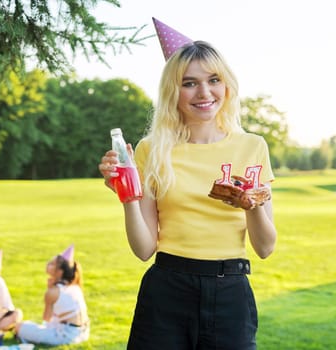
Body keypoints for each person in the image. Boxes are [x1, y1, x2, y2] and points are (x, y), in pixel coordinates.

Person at [98, 17, 277, 349]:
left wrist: (250, 207)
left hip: (231, 293)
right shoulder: (153, 149)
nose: (204, 92)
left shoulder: (253, 147)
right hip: (167, 292)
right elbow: (143, 249)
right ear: (173, 92)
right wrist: (128, 197)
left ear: (227, 85)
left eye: (213, 80)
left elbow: (265, 248)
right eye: (189, 83)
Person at [15, 245, 90, 345]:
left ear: (60, 271)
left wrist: (49, 289)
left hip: (66, 336)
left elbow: (47, 318)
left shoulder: (53, 292)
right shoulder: (74, 286)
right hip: (83, 332)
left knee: (20, 326)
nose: (48, 264)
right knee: (34, 326)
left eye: (52, 264)